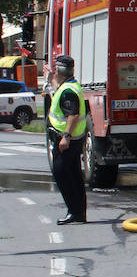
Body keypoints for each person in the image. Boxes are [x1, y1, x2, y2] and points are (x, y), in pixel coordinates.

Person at [46, 54, 88, 225]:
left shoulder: (69, 91)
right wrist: (49, 79)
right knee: (74, 174)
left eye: (56, 69)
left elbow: (73, 115)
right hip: (74, 139)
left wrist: (66, 137)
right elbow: (57, 92)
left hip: (67, 140)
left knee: (62, 173)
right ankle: (78, 212)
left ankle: (75, 211)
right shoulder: (69, 86)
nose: (54, 71)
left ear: (60, 71)